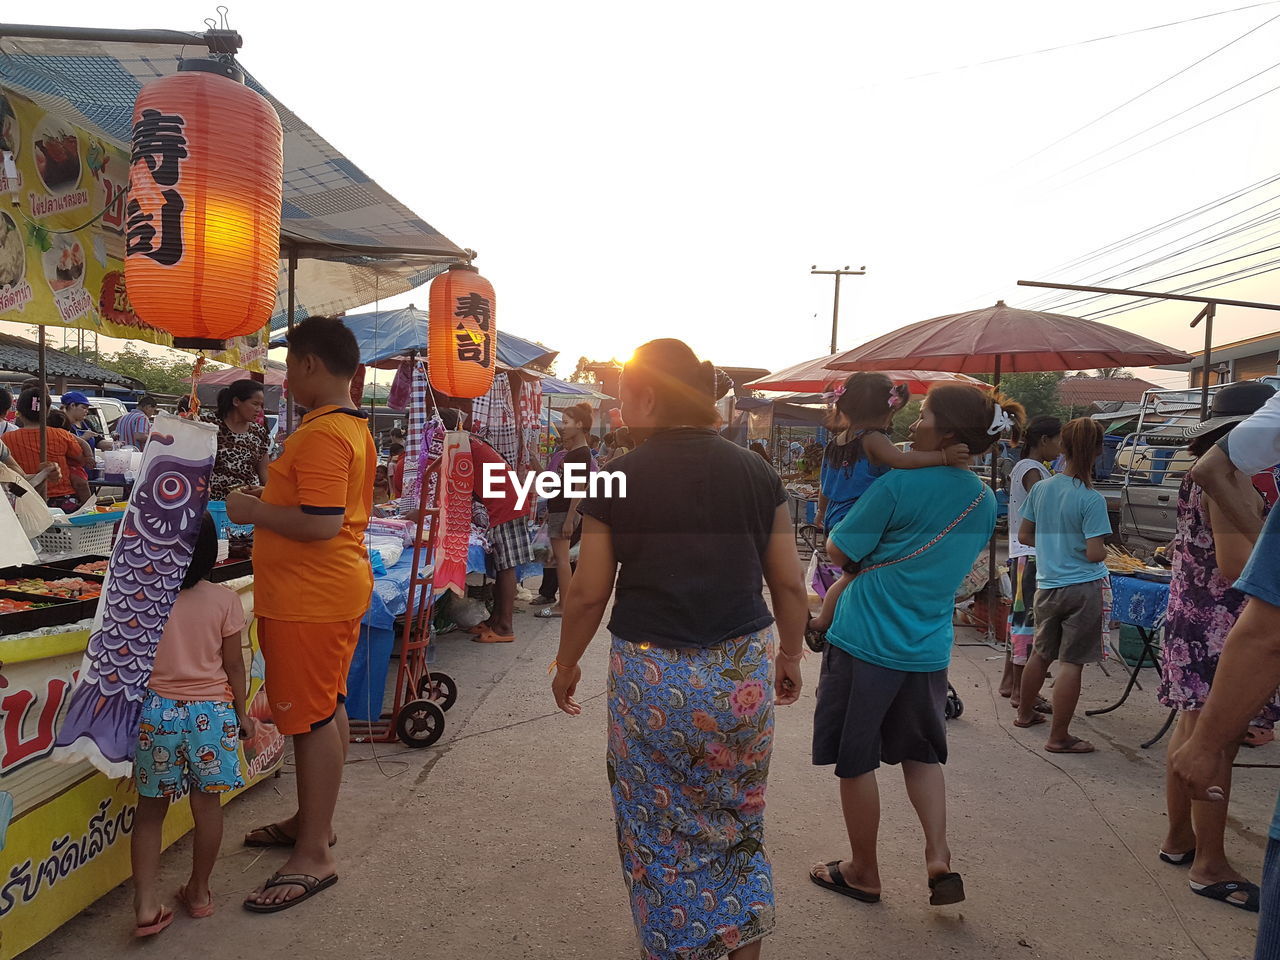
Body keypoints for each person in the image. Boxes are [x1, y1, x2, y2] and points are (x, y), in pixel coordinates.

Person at [551, 338, 807, 960]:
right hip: (739, 671)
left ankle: (670, 946)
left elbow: (588, 594)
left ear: (647, 397)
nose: (616, 408)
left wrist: (566, 664)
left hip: (652, 677)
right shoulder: (757, 472)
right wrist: (791, 656)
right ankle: (738, 944)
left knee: (657, 831)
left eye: (621, 397)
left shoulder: (618, 479)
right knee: (734, 823)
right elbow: (790, 583)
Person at [808, 383, 1005, 909]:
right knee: (921, 756)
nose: (914, 424)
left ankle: (863, 871)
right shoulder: (985, 500)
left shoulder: (897, 484)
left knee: (856, 762)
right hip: (927, 645)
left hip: (865, 636)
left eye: (924, 416)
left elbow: (840, 546)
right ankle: (937, 855)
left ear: (945, 431)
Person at [227, 316, 375, 913]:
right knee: (327, 707)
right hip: (327, 593)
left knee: (309, 720)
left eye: (289, 368)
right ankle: (314, 823)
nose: (284, 380)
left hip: (309, 599)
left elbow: (319, 522)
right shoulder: (346, 427)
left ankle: (313, 852)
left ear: (311, 365)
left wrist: (250, 509)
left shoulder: (320, 435)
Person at [1157, 382, 1279, 911]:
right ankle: (1210, 863)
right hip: (1220, 625)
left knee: (1191, 734)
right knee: (1215, 741)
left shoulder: (1207, 474)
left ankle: (1180, 839)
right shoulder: (1230, 479)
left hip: (1196, 617)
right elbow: (1234, 567)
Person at [130, 512, 251, 937]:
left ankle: (146, 905)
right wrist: (243, 715)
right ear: (210, 553)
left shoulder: (143, 597)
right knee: (207, 807)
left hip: (157, 713)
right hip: (213, 716)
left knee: (149, 813)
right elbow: (234, 665)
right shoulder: (225, 599)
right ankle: (198, 892)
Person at [809, 373, 971, 641]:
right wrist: (943, 456)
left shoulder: (834, 443)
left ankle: (827, 619)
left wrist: (821, 513)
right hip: (860, 519)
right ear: (885, 410)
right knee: (855, 577)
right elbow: (901, 460)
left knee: (851, 575)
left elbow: (824, 487)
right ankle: (822, 622)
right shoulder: (872, 438)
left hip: (836, 518)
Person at [1015, 418, 1112, 754]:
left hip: (1047, 584)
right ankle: (1059, 737)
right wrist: (1101, 550)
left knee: (1040, 653)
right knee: (1072, 662)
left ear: (1064, 447)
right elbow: (1094, 552)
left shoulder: (1042, 488)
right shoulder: (1092, 499)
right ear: (1098, 451)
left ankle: (1025, 714)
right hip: (1082, 588)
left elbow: (1024, 535)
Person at [438, 408, 534, 643]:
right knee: (503, 566)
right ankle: (495, 620)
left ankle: (504, 627)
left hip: (506, 506)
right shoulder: (471, 441)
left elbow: (453, 484)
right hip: (507, 502)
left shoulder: (461, 444)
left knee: (506, 567)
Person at [1000, 416, 1063, 711]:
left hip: (1022, 552)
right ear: (1044, 440)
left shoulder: (1026, 467)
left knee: (1019, 618)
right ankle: (1021, 691)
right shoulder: (1032, 470)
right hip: (1032, 553)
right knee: (1028, 623)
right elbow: (1045, 511)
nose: (1061, 448)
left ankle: (1009, 682)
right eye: (1059, 440)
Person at [536, 402, 594, 620]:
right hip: (559, 509)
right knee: (558, 559)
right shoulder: (575, 452)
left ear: (579, 424)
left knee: (561, 560)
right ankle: (563, 602)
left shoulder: (581, 453)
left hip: (565, 511)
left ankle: (564, 605)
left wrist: (571, 518)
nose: (562, 426)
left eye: (566, 422)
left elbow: (579, 489)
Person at [2, 389, 88, 509]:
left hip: (25, 499)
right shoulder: (62, 435)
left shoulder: (6, 439)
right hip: (63, 500)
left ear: (19, 413)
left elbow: (13, 477)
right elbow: (81, 459)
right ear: (47, 412)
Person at [205, 380, 271, 501]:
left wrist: (271, 493)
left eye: (261, 405)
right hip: (213, 503)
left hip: (248, 503)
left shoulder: (259, 432)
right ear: (236, 401)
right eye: (255, 404)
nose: (259, 410)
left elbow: (264, 469)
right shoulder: (209, 426)